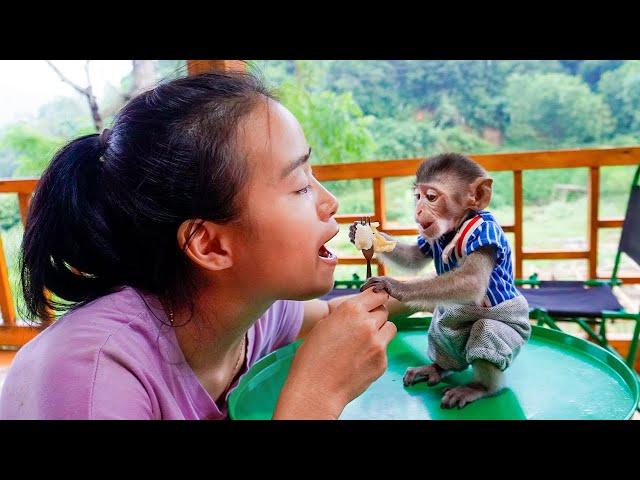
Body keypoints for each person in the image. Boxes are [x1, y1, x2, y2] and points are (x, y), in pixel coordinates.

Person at [0, 70, 396, 420]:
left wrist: (449, 285)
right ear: (210, 246)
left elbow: (337, 316)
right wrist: (317, 393)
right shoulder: (92, 376)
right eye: (300, 186)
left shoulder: (247, 314)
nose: (331, 203)